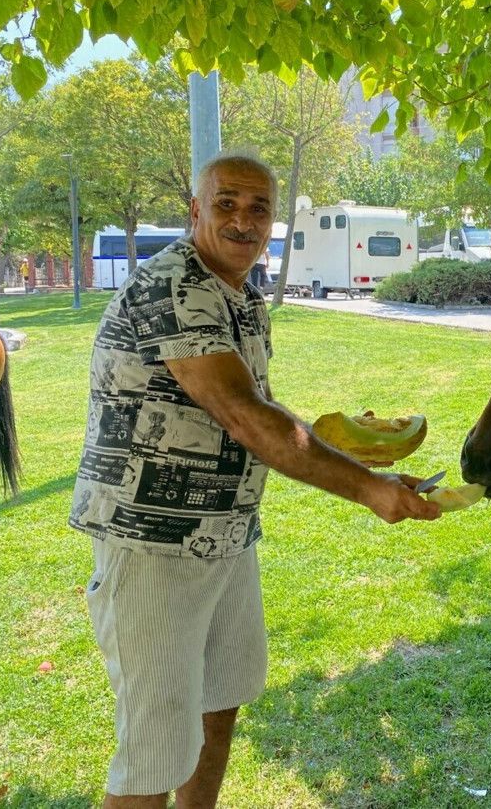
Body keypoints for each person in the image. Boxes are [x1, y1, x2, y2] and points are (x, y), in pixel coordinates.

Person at [70, 150, 440, 808]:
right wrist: (369, 491)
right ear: (195, 210)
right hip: (154, 543)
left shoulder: (237, 295)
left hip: (224, 538)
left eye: (258, 208)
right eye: (226, 203)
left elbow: (253, 406)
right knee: (153, 751)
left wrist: (356, 457)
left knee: (220, 704)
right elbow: (243, 416)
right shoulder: (175, 286)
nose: (243, 220)